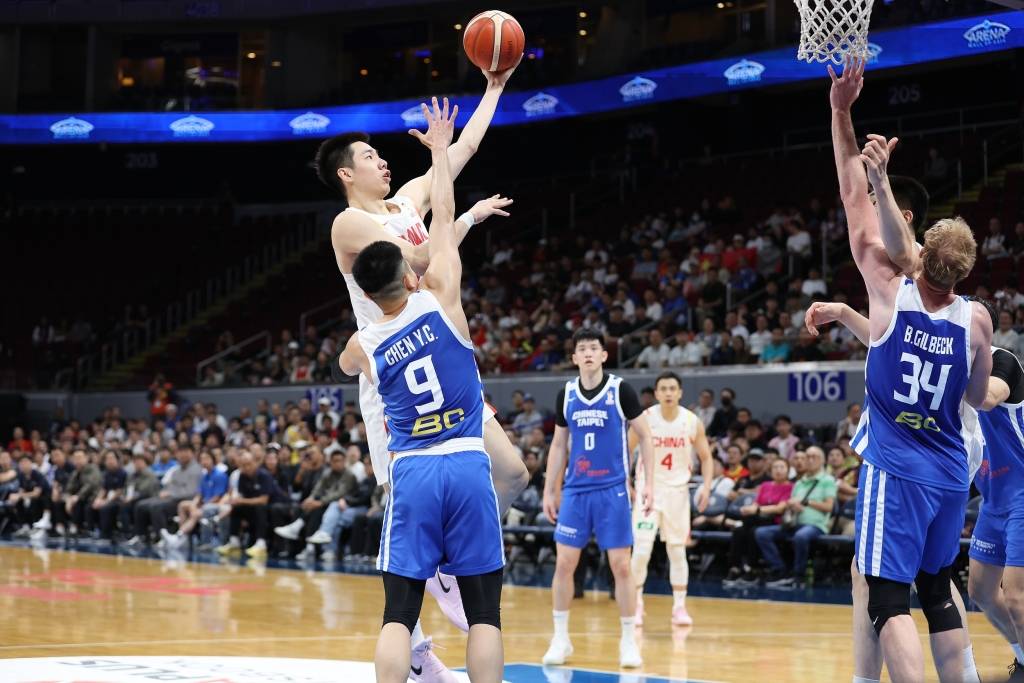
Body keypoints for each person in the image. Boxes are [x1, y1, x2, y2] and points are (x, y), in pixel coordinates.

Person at [319, 61, 527, 681]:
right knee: (404, 523)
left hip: (438, 354)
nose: (382, 161)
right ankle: (413, 645)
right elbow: (422, 258)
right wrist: (461, 219)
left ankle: (447, 565)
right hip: (392, 375)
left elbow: (462, 151)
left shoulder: (405, 200)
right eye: (370, 156)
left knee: (514, 472)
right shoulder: (350, 223)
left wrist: (494, 87)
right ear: (345, 174)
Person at [827, 55, 992, 683]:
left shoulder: (887, 281)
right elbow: (974, 393)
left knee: (887, 598)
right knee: (934, 591)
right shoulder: (976, 318)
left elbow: (852, 195)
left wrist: (842, 113)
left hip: (899, 468)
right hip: (952, 467)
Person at [541, 328, 656, 668]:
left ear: (604, 355)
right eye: (582, 348)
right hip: (576, 491)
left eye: (594, 348)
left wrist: (648, 483)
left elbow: (646, 437)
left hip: (613, 489)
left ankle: (628, 641)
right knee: (564, 564)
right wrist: (550, 488)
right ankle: (560, 639)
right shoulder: (566, 393)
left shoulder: (621, 390)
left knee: (621, 566)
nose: (588, 353)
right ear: (574, 357)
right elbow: (558, 445)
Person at [631, 371, 713, 627]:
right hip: (649, 491)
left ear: (680, 393)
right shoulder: (644, 418)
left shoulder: (691, 421)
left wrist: (707, 487)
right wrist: (626, 483)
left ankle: (679, 607)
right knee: (642, 549)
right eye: (663, 388)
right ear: (656, 393)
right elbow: (625, 450)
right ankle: (636, 604)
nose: (668, 393)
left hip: (678, 492)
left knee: (677, 551)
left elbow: (706, 457)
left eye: (672, 388)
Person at [754, 446, 836, 589]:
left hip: (816, 525)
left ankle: (799, 575)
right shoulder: (799, 482)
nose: (810, 460)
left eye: (814, 457)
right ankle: (779, 570)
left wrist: (807, 502)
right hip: (795, 523)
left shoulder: (827, 480)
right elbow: (791, 502)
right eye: (807, 457)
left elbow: (829, 507)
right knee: (762, 533)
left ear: (822, 461)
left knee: (800, 536)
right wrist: (792, 505)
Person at [723, 457, 794, 586]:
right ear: (771, 470)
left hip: (776, 520)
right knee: (739, 530)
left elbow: (780, 508)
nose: (778, 470)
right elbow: (756, 503)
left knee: (753, 531)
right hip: (757, 518)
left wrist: (757, 510)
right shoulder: (765, 486)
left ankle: (752, 568)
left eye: (782, 467)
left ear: (788, 470)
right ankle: (735, 568)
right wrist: (749, 509)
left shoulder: (790, 487)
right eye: (775, 467)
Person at [160, 450, 229, 550]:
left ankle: (178, 536)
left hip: (215, 505)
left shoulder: (220, 475)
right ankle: (184, 539)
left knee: (196, 513)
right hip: (204, 503)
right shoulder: (204, 476)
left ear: (213, 460)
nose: (204, 461)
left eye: (206, 459)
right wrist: (194, 504)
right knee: (183, 505)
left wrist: (200, 506)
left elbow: (218, 497)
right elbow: (199, 494)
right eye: (202, 459)